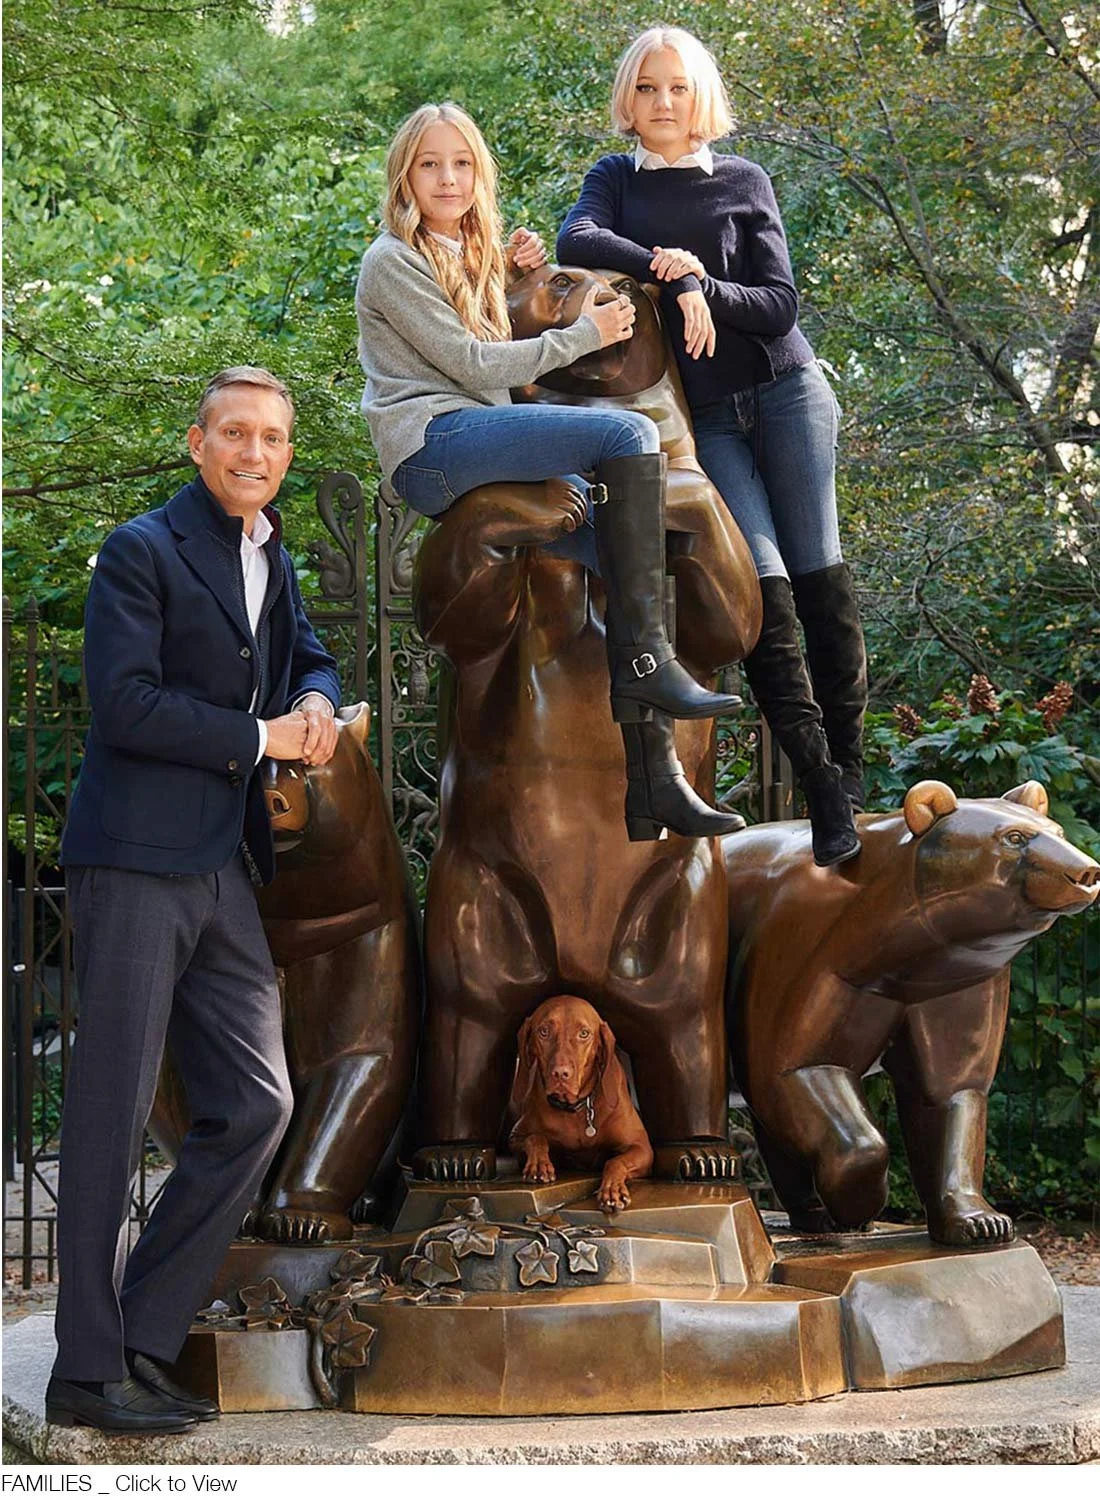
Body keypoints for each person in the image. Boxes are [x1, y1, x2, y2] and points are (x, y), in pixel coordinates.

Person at [47, 367, 342, 1434]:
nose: (254, 452)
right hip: (134, 856)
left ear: (287, 454)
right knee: (113, 1110)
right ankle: (84, 1375)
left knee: (258, 1105)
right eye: (235, 433)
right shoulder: (141, 550)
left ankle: (135, 1338)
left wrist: (316, 702)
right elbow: (123, 705)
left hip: (221, 860)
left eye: (272, 438)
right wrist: (264, 736)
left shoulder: (273, 554)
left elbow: (310, 658)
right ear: (197, 442)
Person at [355, 101, 742, 839]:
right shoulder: (391, 260)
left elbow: (490, 331)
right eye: (430, 164)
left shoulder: (467, 255)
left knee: (630, 552)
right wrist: (584, 334)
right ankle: (652, 664)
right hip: (433, 444)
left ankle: (654, 781)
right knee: (630, 433)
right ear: (404, 175)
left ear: (480, 176)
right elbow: (474, 364)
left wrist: (508, 268)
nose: (447, 178)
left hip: (478, 435)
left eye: (461, 164)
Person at [557, 26, 868, 867]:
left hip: (788, 391)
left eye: (678, 87)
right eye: (647, 87)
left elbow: (778, 305)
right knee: (763, 592)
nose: (663, 102)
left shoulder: (744, 180)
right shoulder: (616, 179)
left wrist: (703, 284)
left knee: (820, 578)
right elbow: (576, 241)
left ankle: (852, 776)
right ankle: (820, 786)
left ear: (703, 99)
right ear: (628, 100)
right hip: (712, 419)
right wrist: (674, 271)